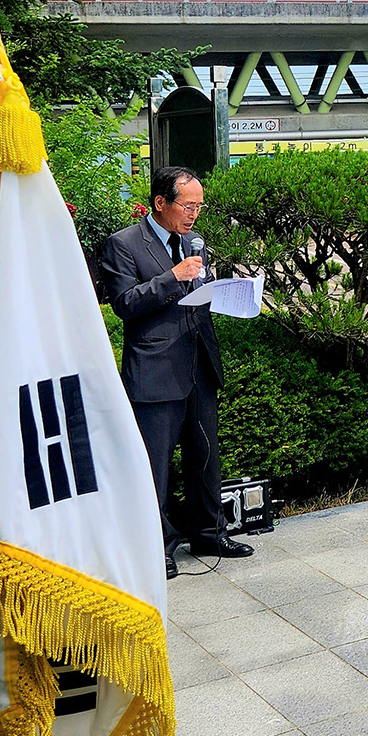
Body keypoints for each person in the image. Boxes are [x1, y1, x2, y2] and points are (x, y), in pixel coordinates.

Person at [101, 165, 253, 580]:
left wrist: (226, 293)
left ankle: (209, 533)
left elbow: (196, 294)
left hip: (198, 363)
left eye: (199, 207)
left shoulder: (194, 242)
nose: (194, 215)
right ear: (161, 203)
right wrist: (173, 277)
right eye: (188, 206)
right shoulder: (124, 244)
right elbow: (125, 303)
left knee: (205, 456)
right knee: (155, 465)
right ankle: (157, 546)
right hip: (154, 368)